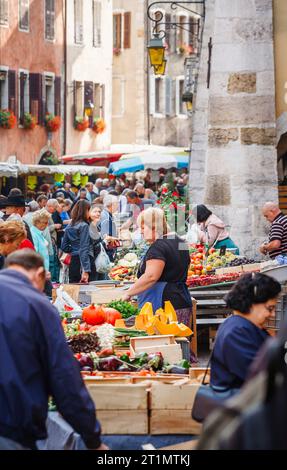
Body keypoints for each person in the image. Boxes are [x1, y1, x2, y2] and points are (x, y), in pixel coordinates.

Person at [0, 249, 107, 450]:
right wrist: (92, 438)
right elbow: (64, 378)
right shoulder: (36, 304)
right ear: (40, 274)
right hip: (10, 424)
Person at [122, 208, 193, 328]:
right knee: (179, 343)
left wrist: (128, 293)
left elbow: (151, 276)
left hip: (164, 306)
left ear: (154, 226)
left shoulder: (158, 247)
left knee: (163, 343)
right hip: (181, 300)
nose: (141, 232)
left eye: (143, 228)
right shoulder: (180, 242)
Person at [210, 273, 281, 391]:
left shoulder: (243, 326)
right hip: (241, 406)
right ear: (252, 303)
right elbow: (260, 378)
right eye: (270, 308)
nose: (272, 314)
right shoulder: (237, 332)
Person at [61, 200, 97, 283]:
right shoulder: (84, 226)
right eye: (89, 210)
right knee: (88, 293)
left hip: (74, 261)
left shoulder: (70, 225)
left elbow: (64, 246)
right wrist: (86, 270)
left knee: (74, 291)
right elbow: (84, 248)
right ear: (85, 211)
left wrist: (74, 250)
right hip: (85, 262)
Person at [100, 195, 119, 261]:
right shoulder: (105, 216)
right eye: (117, 203)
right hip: (107, 251)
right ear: (111, 204)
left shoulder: (107, 214)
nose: (118, 206)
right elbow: (105, 236)